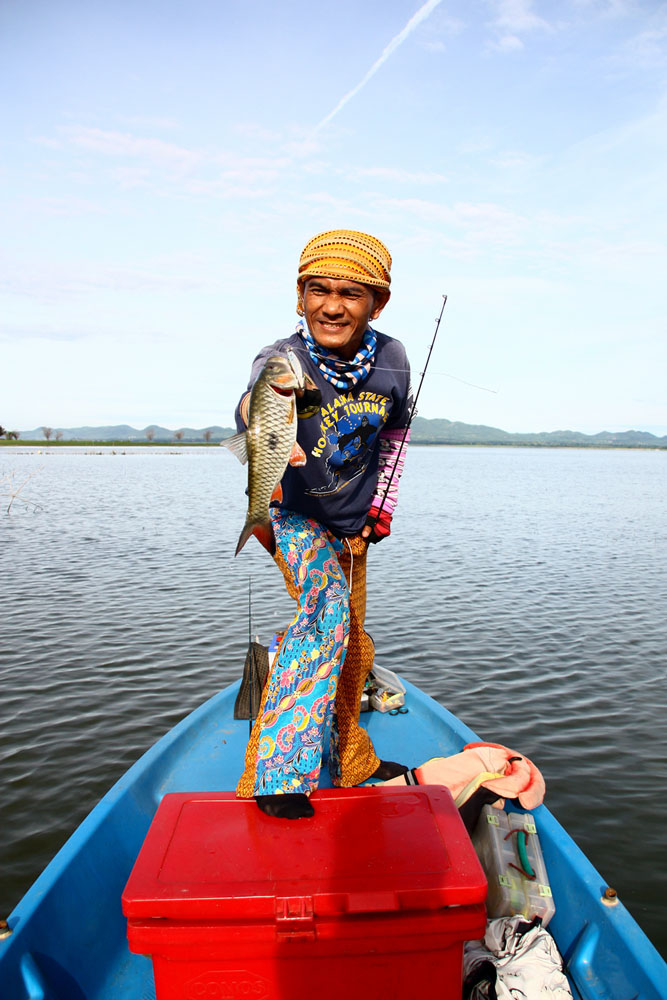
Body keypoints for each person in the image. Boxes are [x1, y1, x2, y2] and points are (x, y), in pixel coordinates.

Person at [235, 229, 413, 818]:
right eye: (318, 289)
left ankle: (352, 758)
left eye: (350, 293)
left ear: (377, 303)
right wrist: (257, 408)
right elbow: (254, 396)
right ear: (299, 295)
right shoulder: (282, 359)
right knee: (325, 614)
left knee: (351, 643)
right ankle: (279, 775)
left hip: (355, 526)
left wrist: (379, 513)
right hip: (292, 516)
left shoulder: (393, 360)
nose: (332, 305)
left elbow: (393, 438)